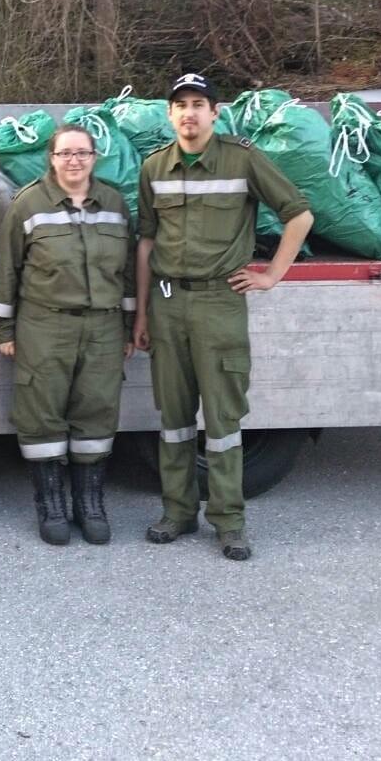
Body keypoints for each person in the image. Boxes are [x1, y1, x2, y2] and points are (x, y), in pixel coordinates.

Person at [132, 73, 313, 561]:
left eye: (199, 104)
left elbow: (299, 214)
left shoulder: (241, 158)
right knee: (173, 419)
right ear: (169, 114)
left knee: (223, 418)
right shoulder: (154, 167)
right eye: (181, 105)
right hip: (168, 303)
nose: (189, 113)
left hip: (219, 302)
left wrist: (271, 275)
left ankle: (229, 521)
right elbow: (146, 242)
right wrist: (142, 314)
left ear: (215, 112)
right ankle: (177, 512)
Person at [0, 125, 136, 545]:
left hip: (103, 327)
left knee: (97, 410)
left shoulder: (114, 203)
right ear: (50, 158)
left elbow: (127, 271)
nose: (74, 161)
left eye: (82, 153)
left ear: (94, 158)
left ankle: (89, 505)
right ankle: (51, 505)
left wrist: (128, 326)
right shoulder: (28, 203)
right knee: (41, 412)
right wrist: (3, 327)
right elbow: (6, 268)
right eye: (64, 153)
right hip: (45, 325)